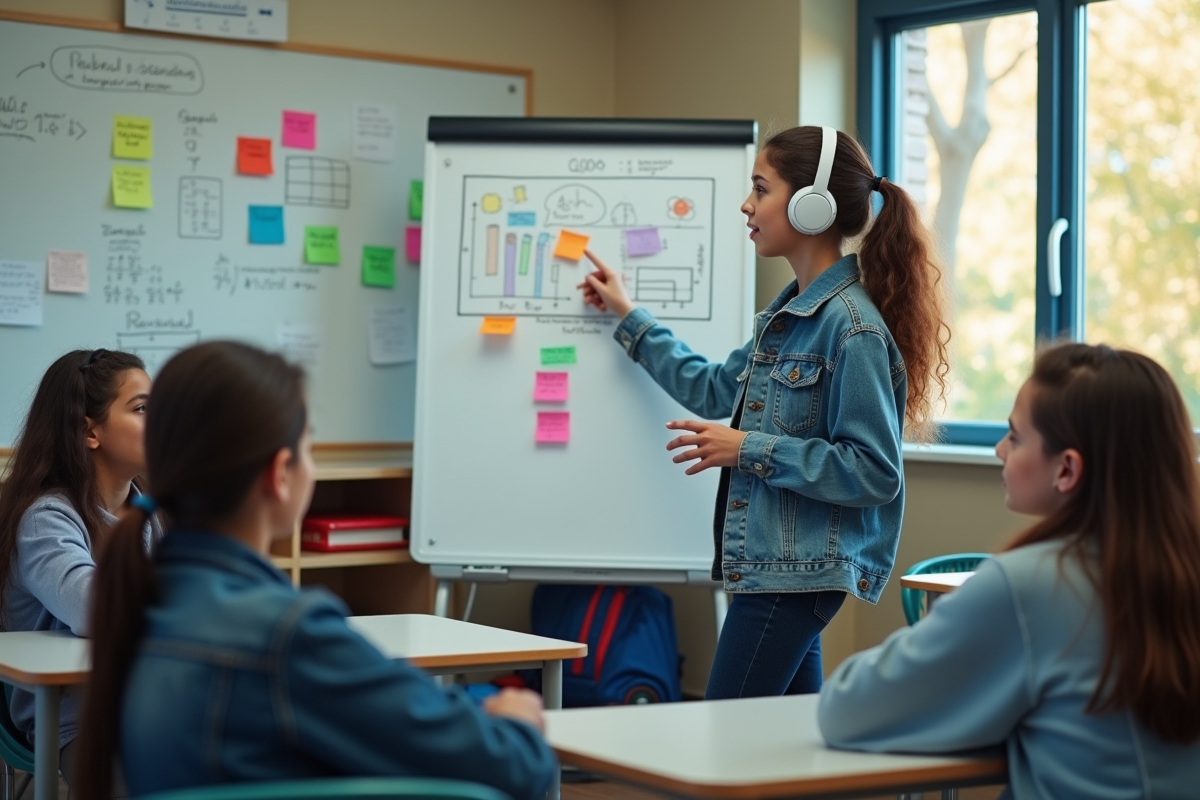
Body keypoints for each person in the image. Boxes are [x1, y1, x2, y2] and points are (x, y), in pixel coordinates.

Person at [74, 341, 557, 800]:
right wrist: (516, 722)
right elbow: (511, 768)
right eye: (308, 448)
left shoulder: (144, 600)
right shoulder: (288, 633)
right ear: (279, 474)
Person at [579, 125, 950, 698]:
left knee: (727, 738)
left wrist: (745, 448)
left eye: (760, 188)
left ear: (811, 205)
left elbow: (874, 472)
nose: (746, 206)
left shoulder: (852, 329)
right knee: (781, 747)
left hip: (795, 576)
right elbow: (709, 388)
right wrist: (628, 315)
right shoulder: (789, 318)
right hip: (780, 571)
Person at [819, 343, 1200, 798]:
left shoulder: (1029, 585)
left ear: (1067, 469)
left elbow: (845, 710)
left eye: (1015, 437)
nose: (1000, 450)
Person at [0, 348, 158, 785]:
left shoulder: (147, 514)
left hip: (149, 693)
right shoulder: (46, 517)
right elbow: (96, 607)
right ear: (90, 431)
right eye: (143, 409)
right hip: (75, 714)